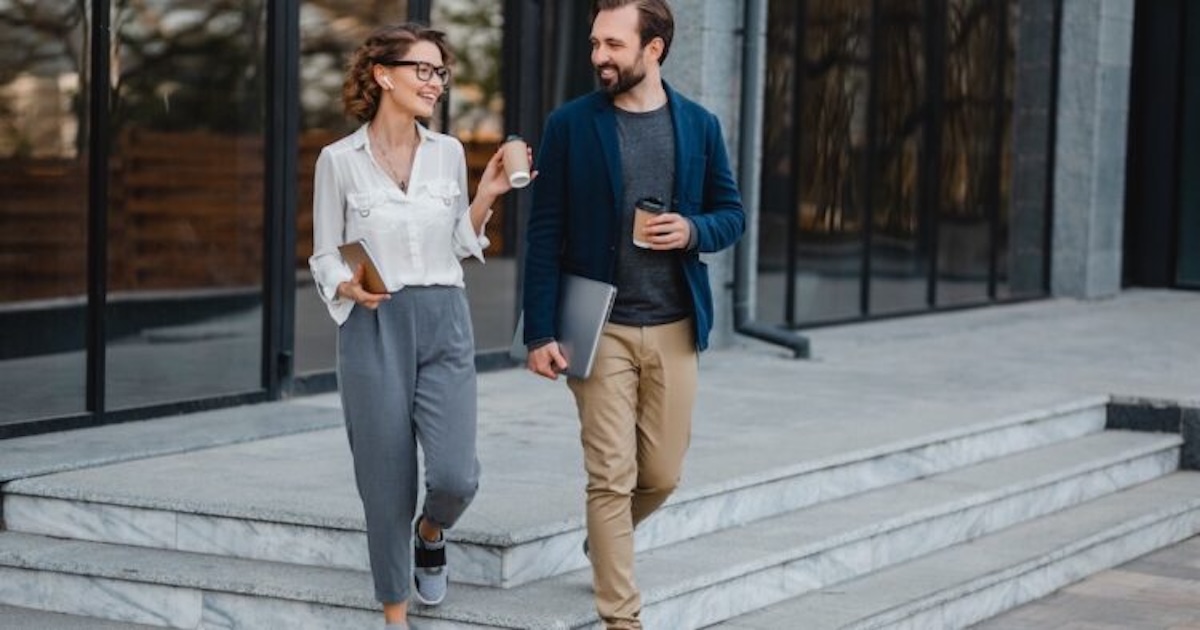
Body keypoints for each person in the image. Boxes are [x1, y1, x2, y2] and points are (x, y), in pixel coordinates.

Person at [521, 1, 744, 627]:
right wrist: (539, 329)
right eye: (595, 44)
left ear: (655, 48)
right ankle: (623, 617)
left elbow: (733, 213)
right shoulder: (570, 124)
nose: (599, 57)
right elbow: (544, 231)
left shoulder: (699, 125)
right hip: (599, 325)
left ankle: (605, 539)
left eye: (613, 45)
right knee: (610, 476)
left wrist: (693, 230)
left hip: (674, 323)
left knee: (663, 474)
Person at [308, 23, 523, 630]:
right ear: (383, 75)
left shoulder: (449, 152)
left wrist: (486, 195)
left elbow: (458, 242)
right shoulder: (338, 161)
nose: (435, 82)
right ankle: (395, 614)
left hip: (445, 320)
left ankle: (431, 532)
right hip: (374, 323)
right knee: (384, 479)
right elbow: (325, 252)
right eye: (422, 70)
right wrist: (343, 282)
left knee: (456, 476)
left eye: (440, 72)